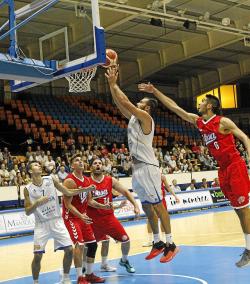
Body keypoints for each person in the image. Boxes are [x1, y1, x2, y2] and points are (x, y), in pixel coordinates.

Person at [138, 83, 250, 267]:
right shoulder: (199, 122)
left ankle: (249, 250)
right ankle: (248, 246)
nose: (200, 103)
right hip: (222, 169)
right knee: (238, 209)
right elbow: (175, 108)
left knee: (243, 209)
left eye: (203, 101)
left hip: (235, 165)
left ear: (210, 106)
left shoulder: (223, 122)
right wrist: (155, 92)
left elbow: (245, 138)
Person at [105, 66, 179, 263]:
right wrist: (111, 86)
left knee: (158, 205)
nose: (137, 103)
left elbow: (126, 102)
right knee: (147, 206)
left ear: (146, 108)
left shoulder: (147, 118)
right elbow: (119, 102)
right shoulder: (133, 119)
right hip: (137, 169)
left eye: (141, 103)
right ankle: (157, 242)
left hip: (149, 167)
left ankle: (171, 244)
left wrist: (114, 83)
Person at [24, 161, 95, 284]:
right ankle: (35, 282)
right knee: (37, 256)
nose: (39, 165)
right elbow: (27, 211)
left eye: (39, 164)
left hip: (57, 221)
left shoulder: (50, 179)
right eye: (35, 165)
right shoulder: (27, 189)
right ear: (30, 171)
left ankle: (66, 278)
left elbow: (67, 192)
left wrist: (86, 189)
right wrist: (37, 203)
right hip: (41, 225)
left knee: (69, 250)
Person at [82, 158, 140, 273]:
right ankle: (83, 266)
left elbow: (126, 192)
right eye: (95, 163)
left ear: (103, 166)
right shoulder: (87, 182)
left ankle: (124, 260)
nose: (98, 165)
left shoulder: (110, 180)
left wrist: (135, 205)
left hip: (109, 219)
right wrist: (104, 206)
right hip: (93, 221)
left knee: (125, 240)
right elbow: (89, 201)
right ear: (91, 167)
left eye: (100, 163)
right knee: (87, 245)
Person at [63, 154, 109, 284]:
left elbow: (89, 201)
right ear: (72, 165)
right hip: (71, 217)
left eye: (82, 160)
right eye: (77, 160)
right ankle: (80, 277)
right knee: (80, 245)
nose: (81, 162)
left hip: (82, 216)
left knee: (93, 245)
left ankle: (89, 274)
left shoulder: (87, 180)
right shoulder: (70, 181)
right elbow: (68, 205)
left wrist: (103, 206)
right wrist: (81, 215)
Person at [143, 174, 180, 247]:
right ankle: (150, 240)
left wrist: (175, 196)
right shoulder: (148, 176)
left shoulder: (162, 177)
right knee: (150, 219)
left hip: (161, 200)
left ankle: (163, 238)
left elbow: (168, 187)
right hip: (151, 199)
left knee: (163, 219)